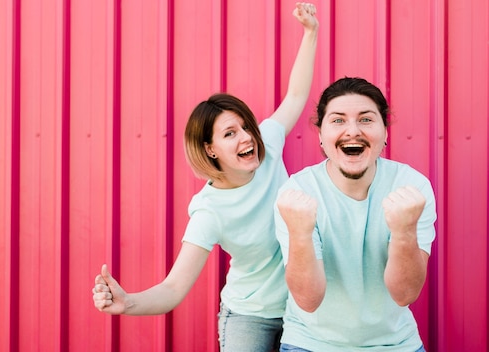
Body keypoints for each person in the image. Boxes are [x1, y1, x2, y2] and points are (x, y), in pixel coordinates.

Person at [91, 3, 318, 351]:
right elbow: (173, 289)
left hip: (303, 311)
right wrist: (128, 303)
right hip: (248, 316)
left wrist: (310, 33)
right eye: (229, 134)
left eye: (245, 126)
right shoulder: (209, 211)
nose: (246, 137)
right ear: (210, 149)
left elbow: (297, 95)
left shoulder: (268, 144)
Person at [273, 77, 437, 352]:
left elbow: (405, 294)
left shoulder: (411, 187)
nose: (352, 131)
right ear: (321, 136)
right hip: (311, 343)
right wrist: (300, 234)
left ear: (385, 133)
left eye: (366, 119)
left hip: (395, 344)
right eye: (338, 120)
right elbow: (308, 300)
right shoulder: (298, 192)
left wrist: (404, 231)